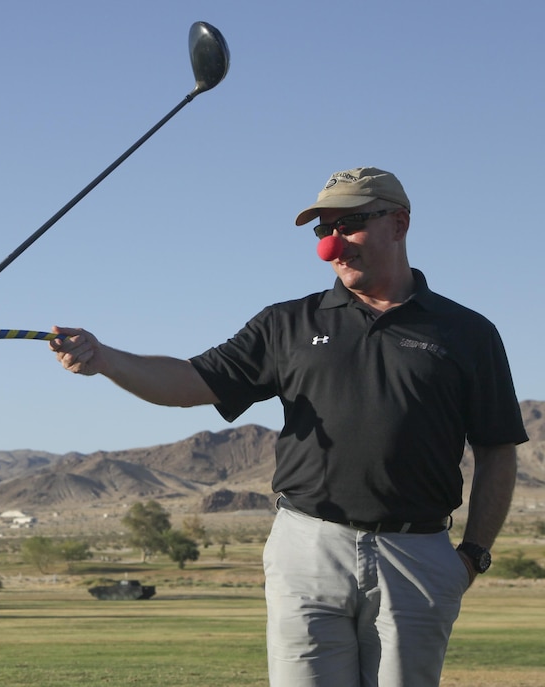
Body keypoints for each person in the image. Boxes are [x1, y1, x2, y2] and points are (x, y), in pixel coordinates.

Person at [50, 167, 526, 687]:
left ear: (399, 223)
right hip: (308, 548)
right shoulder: (288, 324)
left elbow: (498, 449)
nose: (332, 244)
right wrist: (106, 358)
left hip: (417, 556)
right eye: (324, 230)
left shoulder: (467, 333)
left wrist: (473, 556)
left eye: (350, 225)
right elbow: (190, 381)